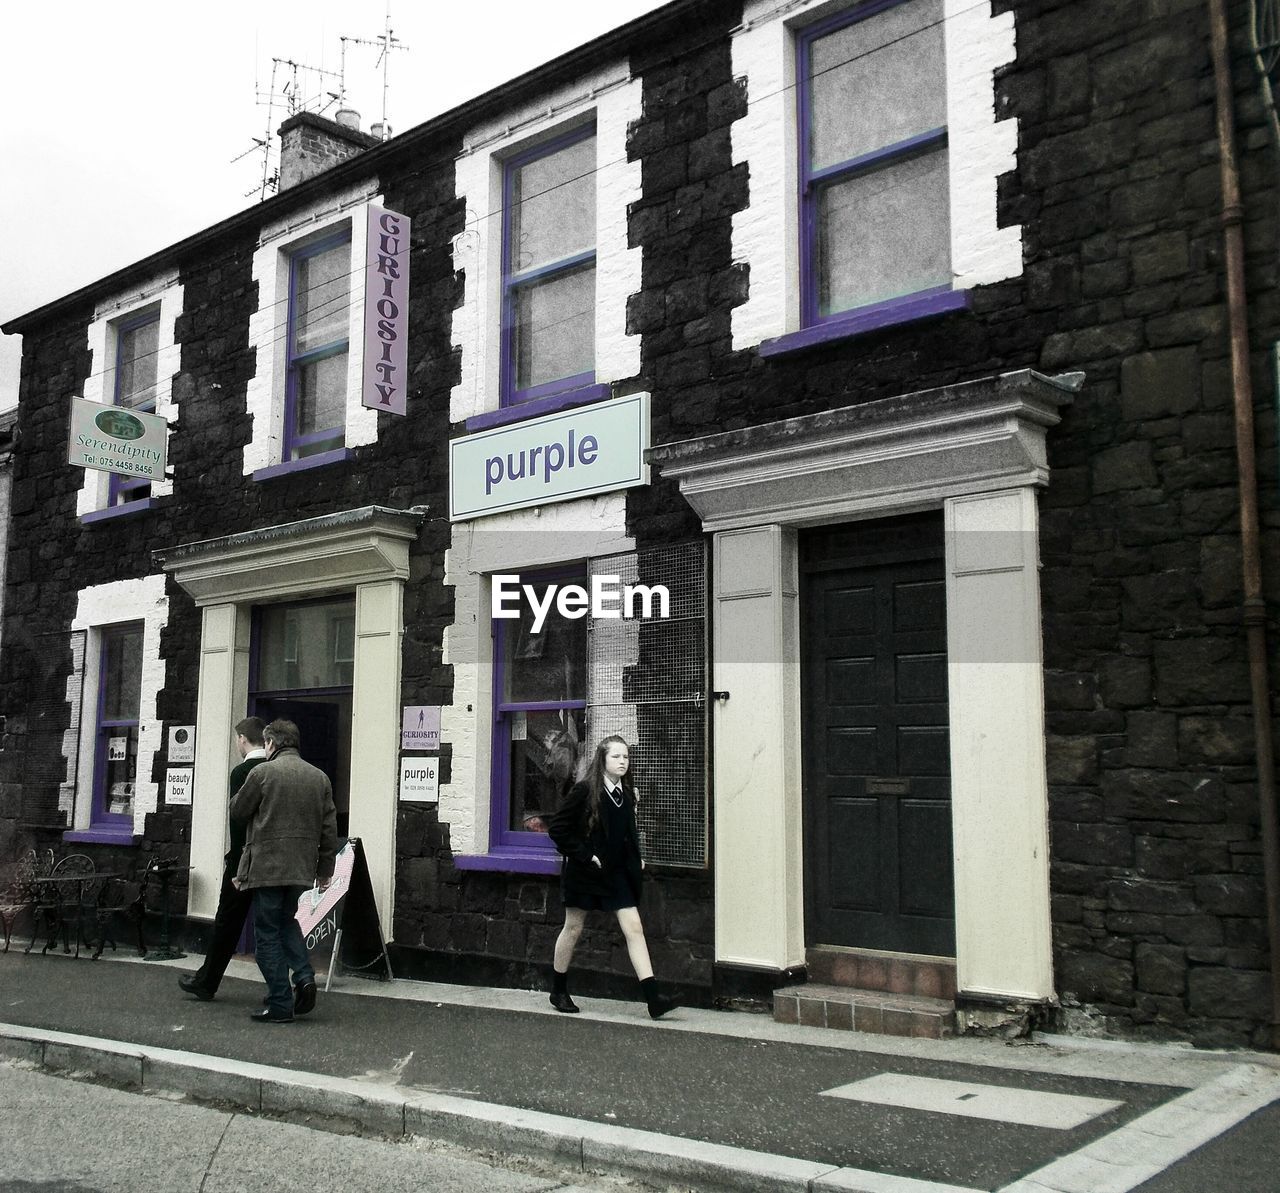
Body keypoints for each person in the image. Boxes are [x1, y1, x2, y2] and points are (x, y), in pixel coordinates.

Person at [546, 734, 677, 1019]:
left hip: (617, 874)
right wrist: (584, 855)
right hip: (586, 872)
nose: (622, 761)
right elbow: (557, 829)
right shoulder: (583, 791)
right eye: (616, 756)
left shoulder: (627, 795)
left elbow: (625, 834)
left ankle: (653, 999)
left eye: (626, 757)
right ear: (602, 759)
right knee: (573, 928)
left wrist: (635, 858)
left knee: (634, 928)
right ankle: (558, 989)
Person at [229, 719, 338, 1024]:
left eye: (265, 744)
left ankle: (279, 1002)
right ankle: (304, 978)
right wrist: (325, 869)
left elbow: (238, 811)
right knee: (288, 923)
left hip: (266, 867)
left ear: (272, 744)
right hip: (301, 869)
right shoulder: (320, 778)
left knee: (265, 935)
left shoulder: (261, 773)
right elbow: (329, 829)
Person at [178, 716, 267, 1002]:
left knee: (227, 922)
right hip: (274, 863)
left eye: (236, 740)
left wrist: (237, 863)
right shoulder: (276, 767)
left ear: (242, 738)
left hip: (245, 860)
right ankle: (297, 983)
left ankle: (207, 981)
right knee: (276, 924)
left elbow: (239, 820)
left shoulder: (243, 772)